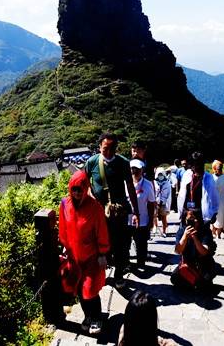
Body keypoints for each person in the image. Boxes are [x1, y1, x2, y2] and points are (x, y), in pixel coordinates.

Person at [85, 133, 139, 289]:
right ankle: (103, 273)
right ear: (100, 147)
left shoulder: (123, 163)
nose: (108, 152)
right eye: (105, 148)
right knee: (100, 244)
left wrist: (136, 211)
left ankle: (119, 275)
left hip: (118, 213)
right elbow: (83, 181)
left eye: (112, 148)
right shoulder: (92, 162)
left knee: (121, 245)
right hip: (98, 213)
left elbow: (130, 187)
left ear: (117, 148)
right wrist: (89, 197)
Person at [58, 170, 110, 335]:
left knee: (90, 289)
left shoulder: (95, 207)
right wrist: (65, 245)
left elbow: (102, 231)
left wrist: (102, 253)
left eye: (81, 189)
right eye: (74, 189)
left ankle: (97, 318)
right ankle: (88, 316)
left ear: (86, 188)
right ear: (70, 188)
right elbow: (63, 228)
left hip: (91, 257)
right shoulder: (65, 204)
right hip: (74, 257)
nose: (77, 193)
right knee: (80, 290)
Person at [171, 209, 217, 290]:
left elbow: (204, 252)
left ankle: (196, 282)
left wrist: (195, 238)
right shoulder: (182, 231)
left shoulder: (205, 231)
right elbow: (178, 251)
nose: (192, 222)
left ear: (199, 220)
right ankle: (193, 282)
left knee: (204, 284)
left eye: (194, 219)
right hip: (188, 264)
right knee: (174, 279)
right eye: (189, 220)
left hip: (204, 264)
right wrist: (184, 237)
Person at [177, 152, 219, 226]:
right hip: (187, 214)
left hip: (202, 215)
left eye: (200, 165)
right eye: (196, 165)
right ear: (191, 166)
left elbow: (214, 196)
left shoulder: (208, 178)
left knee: (204, 236)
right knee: (182, 236)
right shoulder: (187, 175)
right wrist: (181, 212)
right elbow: (181, 195)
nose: (198, 168)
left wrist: (214, 212)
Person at [130, 159, 156, 268]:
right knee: (126, 243)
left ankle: (141, 262)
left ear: (142, 170)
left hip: (143, 220)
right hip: (128, 220)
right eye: (132, 169)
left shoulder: (147, 184)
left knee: (141, 243)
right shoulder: (125, 183)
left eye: (137, 169)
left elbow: (151, 204)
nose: (134, 171)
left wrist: (151, 221)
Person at [211, 160, 224, 238]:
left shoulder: (212, 177)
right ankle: (215, 232)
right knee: (217, 216)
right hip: (219, 200)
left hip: (217, 200)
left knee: (219, 216)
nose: (218, 170)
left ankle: (217, 234)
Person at [153, 167, 171, 237]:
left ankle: (164, 231)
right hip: (156, 202)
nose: (160, 176)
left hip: (163, 203)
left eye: (161, 174)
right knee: (154, 216)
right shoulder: (154, 183)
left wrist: (167, 204)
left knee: (164, 217)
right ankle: (155, 227)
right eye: (159, 174)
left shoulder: (167, 184)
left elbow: (169, 195)